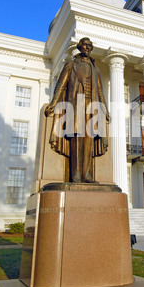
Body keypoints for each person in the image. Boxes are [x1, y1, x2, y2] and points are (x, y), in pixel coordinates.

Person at [45, 37, 109, 183]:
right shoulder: (71, 65)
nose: (88, 48)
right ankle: (76, 173)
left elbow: (100, 91)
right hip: (76, 106)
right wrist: (54, 103)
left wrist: (105, 109)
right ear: (80, 47)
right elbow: (61, 85)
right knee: (76, 141)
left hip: (91, 108)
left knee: (88, 143)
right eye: (85, 45)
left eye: (90, 46)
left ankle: (87, 174)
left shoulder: (96, 69)